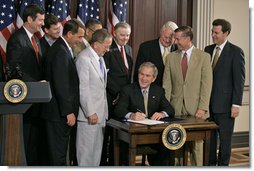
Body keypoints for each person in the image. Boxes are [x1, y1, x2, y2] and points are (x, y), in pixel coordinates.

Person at [163, 26, 212, 166]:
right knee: (176, 144)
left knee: (197, 148)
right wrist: (166, 108)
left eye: (177, 39)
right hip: (175, 109)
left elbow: (206, 85)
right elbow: (167, 85)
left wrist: (202, 107)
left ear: (188, 39)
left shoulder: (203, 57)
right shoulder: (170, 57)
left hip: (197, 110)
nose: (175, 41)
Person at [6, 4, 45, 165]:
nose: (42, 24)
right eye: (40, 20)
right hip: (25, 99)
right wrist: (36, 84)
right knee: (26, 139)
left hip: (37, 100)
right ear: (29, 19)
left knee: (34, 141)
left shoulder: (35, 38)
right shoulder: (17, 39)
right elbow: (15, 70)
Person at [114, 62, 175, 166]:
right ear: (138, 74)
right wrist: (131, 115)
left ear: (154, 78)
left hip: (153, 135)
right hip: (133, 135)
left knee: (166, 146)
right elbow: (119, 110)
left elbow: (170, 109)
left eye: (148, 76)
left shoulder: (158, 91)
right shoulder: (127, 90)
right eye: (141, 74)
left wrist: (162, 113)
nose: (143, 78)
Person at [42, 19, 84, 166]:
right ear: (69, 34)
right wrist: (68, 111)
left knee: (59, 153)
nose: (81, 40)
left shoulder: (62, 48)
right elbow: (61, 85)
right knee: (58, 154)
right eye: (79, 36)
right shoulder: (60, 51)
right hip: (58, 113)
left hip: (58, 112)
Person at [204, 19, 245, 166]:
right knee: (209, 141)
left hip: (226, 106)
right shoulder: (207, 50)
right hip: (208, 106)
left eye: (216, 32)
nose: (213, 35)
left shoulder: (235, 52)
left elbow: (239, 81)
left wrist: (236, 105)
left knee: (225, 141)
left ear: (226, 33)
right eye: (212, 32)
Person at [75, 28, 112, 166]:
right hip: (88, 116)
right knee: (85, 155)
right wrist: (90, 112)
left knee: (96, 154)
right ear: (96, 44)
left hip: (101, 114)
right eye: (106, 46)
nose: (108, 50)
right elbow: (82, 89)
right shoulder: (84, 58)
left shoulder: (100, 59)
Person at [101, 22, 133, 166]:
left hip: (124, 101)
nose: (125, 38)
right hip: (110, 98)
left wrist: (125, 96)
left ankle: (119, 164)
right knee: (108, 134)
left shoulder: (129, 49)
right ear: (114, 33)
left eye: (127, 35)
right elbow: (104, 77)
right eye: (122, 35)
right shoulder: (108, 49)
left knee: (122, 135)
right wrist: (118, 94)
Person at [134, 21, 178, 86]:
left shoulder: (178, 50)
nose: (168, 40)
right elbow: (138, 72)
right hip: (151, 91)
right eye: (166, 37)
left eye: (171, 38)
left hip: (172, 92)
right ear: (161, 33)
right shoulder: (146, 47)